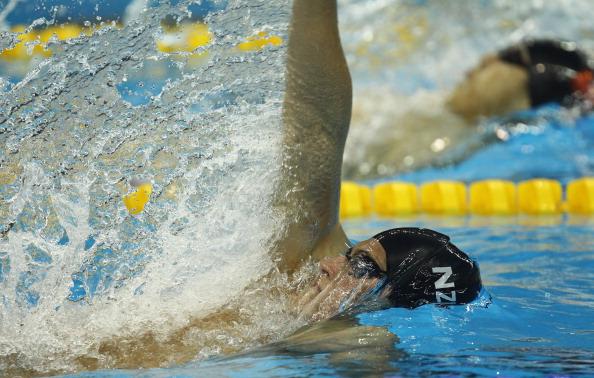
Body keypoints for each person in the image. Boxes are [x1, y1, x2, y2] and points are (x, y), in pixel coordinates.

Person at [449, 39, 594, 122]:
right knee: (455, 116)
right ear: (587, 76)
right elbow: (525, 51)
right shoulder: (571, 64)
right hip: (501, 80)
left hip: (504, 84)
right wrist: (486, 65)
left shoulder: (574, 95)